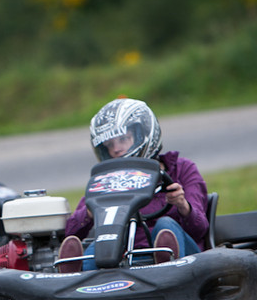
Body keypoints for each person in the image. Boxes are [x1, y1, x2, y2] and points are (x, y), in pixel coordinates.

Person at [60, 97, 209, 271]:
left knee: (165, 224)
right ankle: (74, 278)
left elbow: (200, 229)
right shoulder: (107, 180)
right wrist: (92, 211)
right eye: (109, 145)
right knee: (101, 243)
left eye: (123, 139)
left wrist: (182, 205)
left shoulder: (181, 169)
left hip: (186, 259)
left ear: (142, 135)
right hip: (125, 255)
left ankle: (165, 264)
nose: (116, 149)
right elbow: (70, 231)